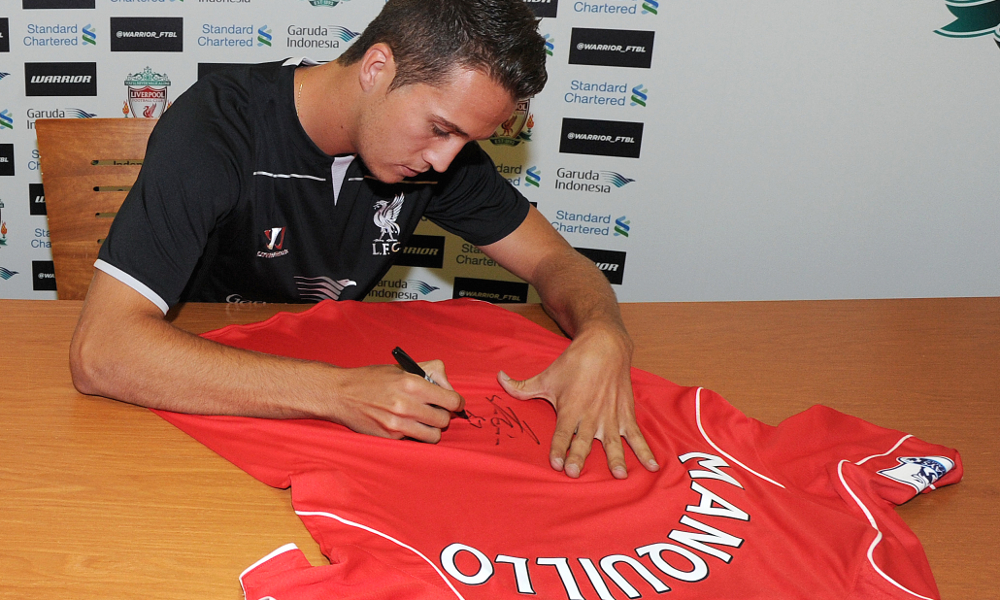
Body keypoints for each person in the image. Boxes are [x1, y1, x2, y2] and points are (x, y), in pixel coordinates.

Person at [69, 0, 659, 480]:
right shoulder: (217, 125)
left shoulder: (440, 158)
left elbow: (556, 259)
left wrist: (605, 333)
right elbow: (103, 354)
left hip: (329, 419)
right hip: (191, 420)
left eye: (464, 141)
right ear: (376, 68)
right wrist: (341, 392)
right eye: (440, 129)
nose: (443, 161)